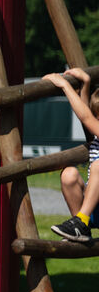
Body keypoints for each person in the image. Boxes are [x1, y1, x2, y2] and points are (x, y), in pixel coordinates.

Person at [42, 67, 99, 242]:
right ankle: (80, 228)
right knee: (69, 175)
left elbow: (86, 118)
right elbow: (87, 115)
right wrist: (86, 85)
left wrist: (65, 86)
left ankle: (80, 222)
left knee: (98, 165)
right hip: (94, 207)